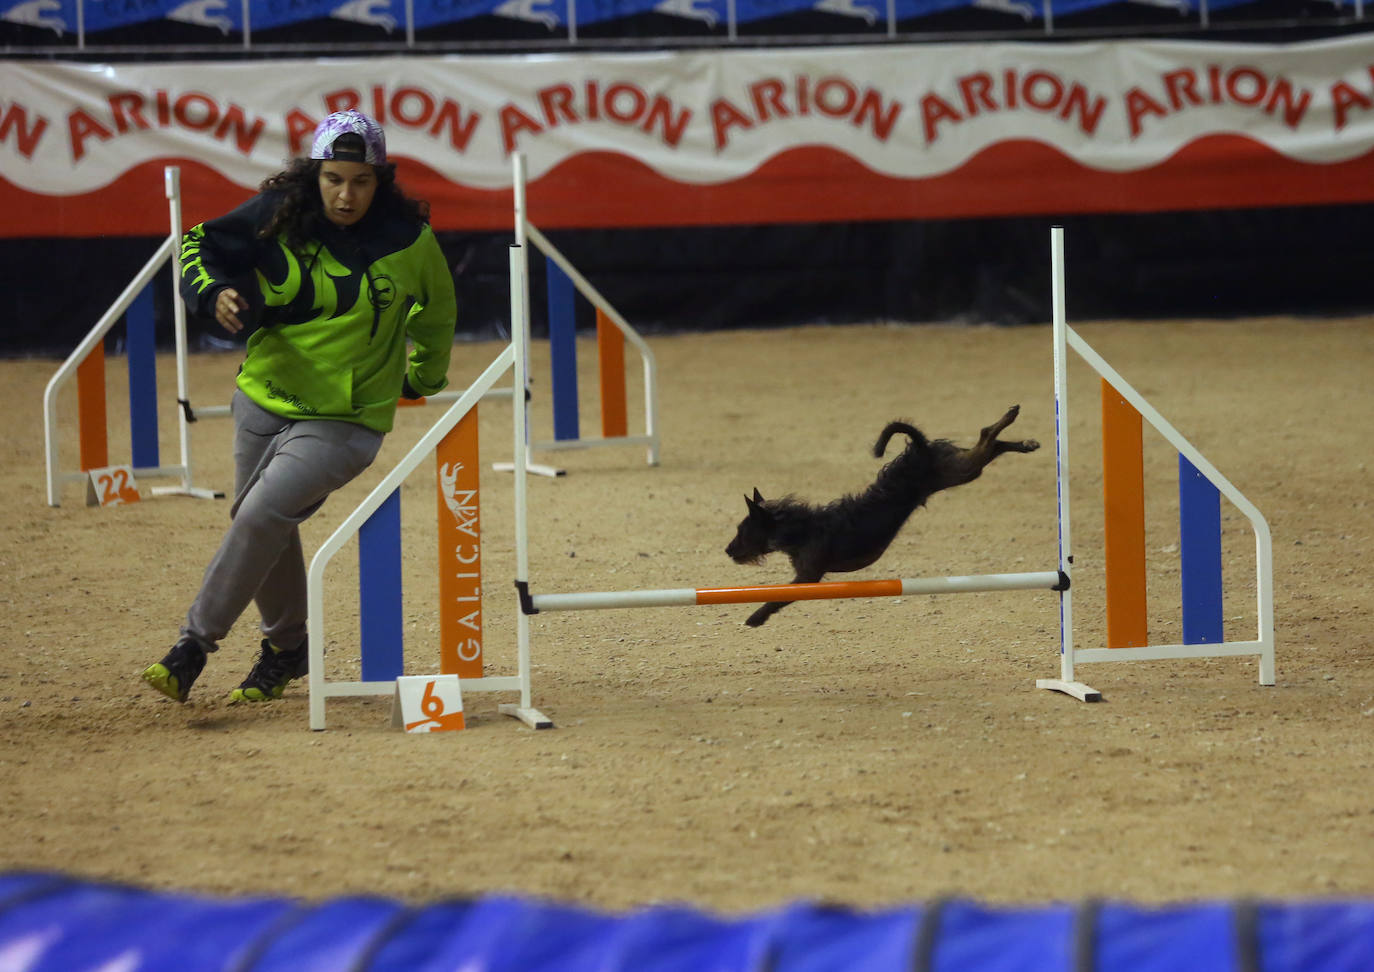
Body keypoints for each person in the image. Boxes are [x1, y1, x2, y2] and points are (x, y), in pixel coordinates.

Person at [142, 109, 458, 704]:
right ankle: (287, 649)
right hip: (263, 396)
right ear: (315, 173)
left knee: (259, 515)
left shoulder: (410, 241)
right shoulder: (278, 214)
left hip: (347, 419)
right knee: (265, 524)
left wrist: (422, 377)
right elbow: (198, 246)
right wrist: (212, 294)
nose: (346, 195)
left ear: (380, 181)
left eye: (361, 182)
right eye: (334, 178)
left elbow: (437, 315)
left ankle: (192, 645)